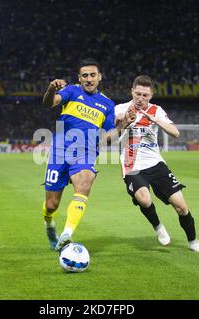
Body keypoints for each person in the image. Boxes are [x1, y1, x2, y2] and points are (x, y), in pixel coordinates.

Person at [41, 58, 135, 251]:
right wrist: (51, 88)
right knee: (51, 205)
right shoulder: (72, 91)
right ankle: (49, 224)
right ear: (79, 78)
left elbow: (109, 137)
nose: (89, 79)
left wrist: (123, 125)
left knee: (85, 181)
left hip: (86, 152)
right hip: (60, 152)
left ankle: (66, 236)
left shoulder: (107, 104)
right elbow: (49, 103)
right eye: (85, 75)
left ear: (99, 77)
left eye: (93, 75)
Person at [115, 75, 199, 253]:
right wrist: (124, 118)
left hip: (156, 164)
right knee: (144, 198)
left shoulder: (157, 110)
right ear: (132, 91)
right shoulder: (121, 108)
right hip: (132, 166)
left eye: (145, 95)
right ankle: (158, 227)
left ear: (151, 96)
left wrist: (155, 119)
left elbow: (175, 133)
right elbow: (115, 122)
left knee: (181, 206)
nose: (141, 98)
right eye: (138, 94)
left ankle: (193, 241)